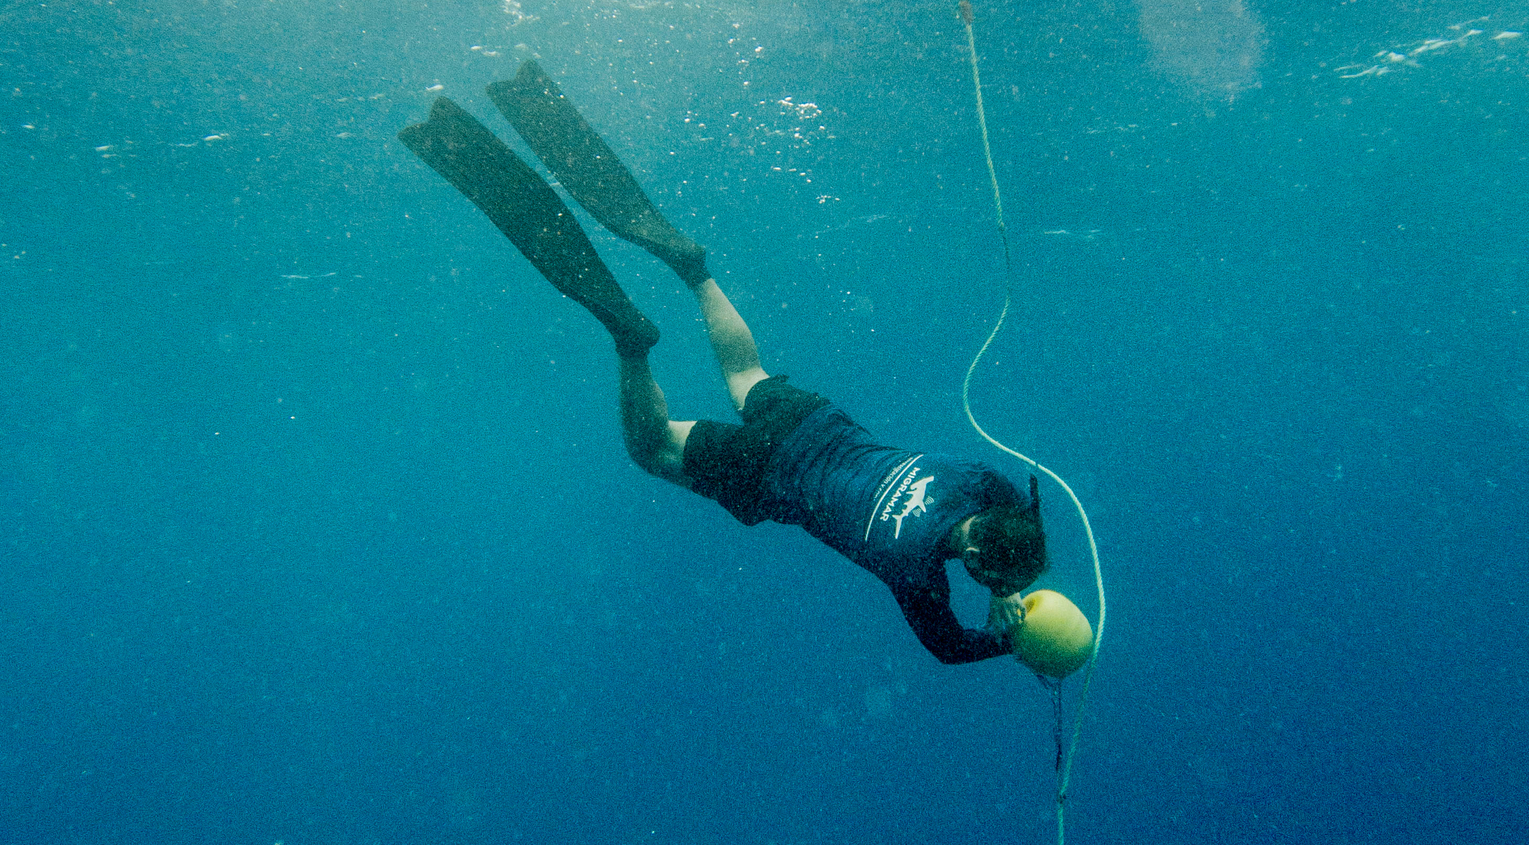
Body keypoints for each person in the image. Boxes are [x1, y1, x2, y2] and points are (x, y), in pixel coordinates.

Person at [400, 60, 1047, 664]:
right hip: (769, 471)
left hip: (814, 423)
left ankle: (692, 269)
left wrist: (1007, 560)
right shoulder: (914, 566)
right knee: (652, 449)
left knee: (747, 376)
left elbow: (1012, 498)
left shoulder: (970, 480)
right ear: (980, 565)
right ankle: (630, 339)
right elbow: (947, 646)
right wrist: (1006, 637)